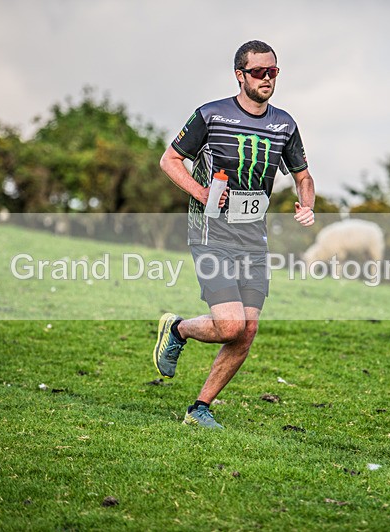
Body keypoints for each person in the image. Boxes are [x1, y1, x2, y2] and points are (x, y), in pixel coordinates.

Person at [153, 40, 316, 429]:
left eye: (272, 71)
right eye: (258, 72)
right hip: (210, 231)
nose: (266, 79)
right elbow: (169, 160)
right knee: (230, 326)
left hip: (252, 237)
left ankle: (199, 408)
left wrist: (307, 203)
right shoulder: (210, 115)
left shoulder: (285, 124)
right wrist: (202, 192)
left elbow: (303, 176)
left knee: (249, 329)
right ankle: (177, 328)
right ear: (240, 75)